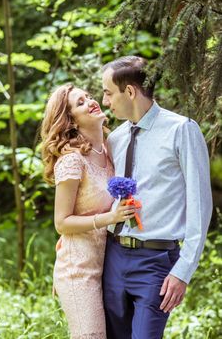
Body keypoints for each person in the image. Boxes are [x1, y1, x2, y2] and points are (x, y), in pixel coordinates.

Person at [101, 56, 213, 339]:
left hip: (156, 261)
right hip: (113, 257)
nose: (104, 101)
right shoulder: (115, 138)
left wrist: (183, 271)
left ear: (129, 92)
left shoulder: (182, 130)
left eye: (108, 92)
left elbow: (201, 206)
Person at [40, 84, 136, 339]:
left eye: (89, 97)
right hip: (78, 269)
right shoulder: (72, 160)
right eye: (80, 103)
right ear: (70, 120)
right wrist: (109, 218)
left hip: (110, 264)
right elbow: (61, 223)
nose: (91, 101)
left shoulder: (111, 147)